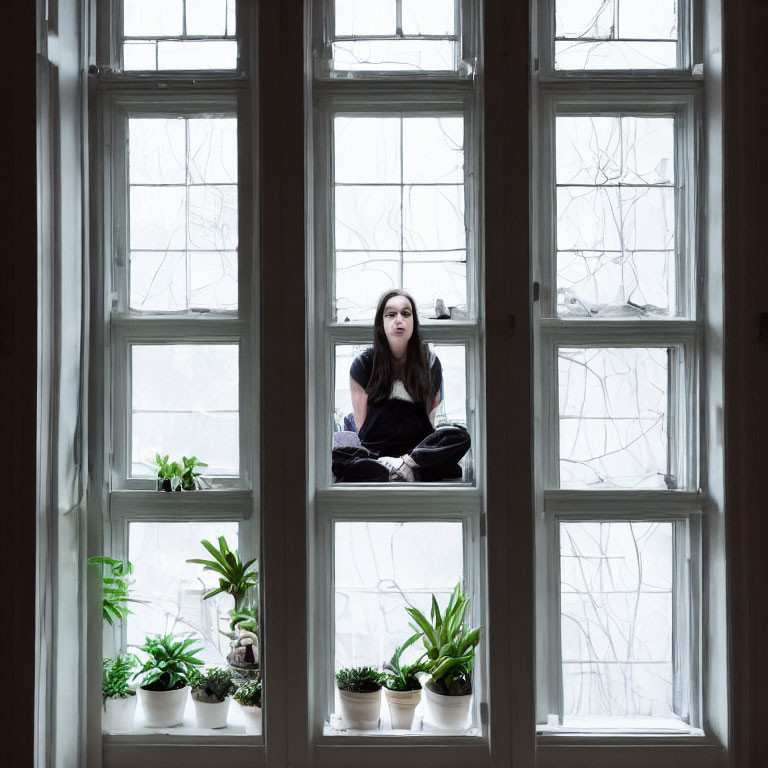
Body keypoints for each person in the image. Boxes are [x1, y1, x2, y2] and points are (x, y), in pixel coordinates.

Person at [332, 289, 471, 482]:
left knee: (460, 436)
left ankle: (404, 467)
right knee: (337, 457)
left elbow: (430, 421)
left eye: (406, 314)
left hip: (417, 453)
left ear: (414, 321)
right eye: (391, 314)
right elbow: (361, 426)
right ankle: (391, 469)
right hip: (375, 453)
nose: (399, 320)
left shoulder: (429, 363)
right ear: (381, 323)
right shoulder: (363, 364)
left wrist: (409, 459)